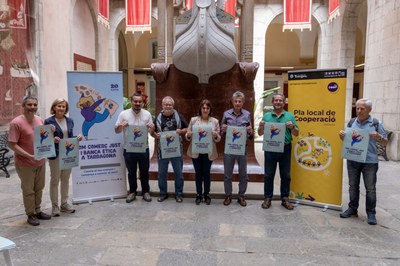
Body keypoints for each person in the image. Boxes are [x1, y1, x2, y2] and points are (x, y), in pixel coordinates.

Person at [338, 98, 388, 225]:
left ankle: (371, 214)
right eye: (357, 108)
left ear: (369, 110)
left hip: (370, 161)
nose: (359, 111)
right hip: (353, 159)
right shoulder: (351, 122)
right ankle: (352, 209)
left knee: (370, 189)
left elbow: (385, 141)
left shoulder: (376, 123)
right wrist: (342, 137)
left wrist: (378, 136)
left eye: (362, 109)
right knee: (353, 186)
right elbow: (347, 141)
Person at [8, 95, 52, 226]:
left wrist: (51, 136)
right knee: (28, 190)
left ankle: (38, 210)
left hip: (40, 161)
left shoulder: (39, 120)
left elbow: (43, 137)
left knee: (39, 187)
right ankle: (30, 214)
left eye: (34, 105)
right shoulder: (16, 123)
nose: (32, 107)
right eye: (29, 105)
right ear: (23, 106)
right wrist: (28, 155)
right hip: (25, 163)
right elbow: (11, 144)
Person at [258, 93, 299, 210]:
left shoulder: (289, 116)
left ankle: (285, 199)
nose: (278, 102)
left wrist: (292, 127)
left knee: (285, 175)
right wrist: (261, 126)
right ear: (272, 102)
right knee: (268, 175)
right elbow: (260, 133)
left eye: (280, 100)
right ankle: (267, 198)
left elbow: (296, 133)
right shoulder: (266, 116)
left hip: (285, 148)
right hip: (270, 149)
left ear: (284, 103)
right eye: (276, 100)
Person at [44, 98, 83, 217]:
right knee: (55, 180)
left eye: (63, 106)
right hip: (55, 154)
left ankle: (64, 204)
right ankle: (55, 206)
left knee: (65, 179)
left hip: (68, 154)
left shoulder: (70, 121)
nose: (61, 108)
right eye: (59, 106)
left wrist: (78, 137)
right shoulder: (48, 121)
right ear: (54, 107)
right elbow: (45, 138)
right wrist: (52, 138)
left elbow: (68, 136)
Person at [115, 92, 155, 203]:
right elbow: (116, 130)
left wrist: (152, 128)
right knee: (131, 172)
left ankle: (146, 192)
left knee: (144, 172)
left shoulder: (147, 114)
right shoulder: (123, 114)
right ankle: (132, 192)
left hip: (143, 149)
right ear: (131, 102)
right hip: (129, 149)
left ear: (142, 102)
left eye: (139, 101)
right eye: (135, 101)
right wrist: (120, 126)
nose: (137, 103)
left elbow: (151, 133)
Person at [152, 96, 188, 203]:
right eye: (166, 104)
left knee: (179, 173)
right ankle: (163, 193)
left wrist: (180, 132)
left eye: (170, 104)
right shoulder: (158, 118)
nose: (168, 106)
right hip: (162, 151)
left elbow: (186, 128)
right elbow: (152, 132)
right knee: (162, 173)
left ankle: (179, 194)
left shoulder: (178, 116)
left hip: (176, 151)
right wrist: (155, 135)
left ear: (173, 105)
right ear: (162, 105)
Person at [221, 91, 253, 207]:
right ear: (232, 102)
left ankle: (241, 196)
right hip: (229, 149)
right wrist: (223, 130)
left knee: (243, 174)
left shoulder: (247, 114)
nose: (238, 103)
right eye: (236, 101)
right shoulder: (226, 114)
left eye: (240, 101)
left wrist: (249, 131)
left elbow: (251, 135)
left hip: (242, 149)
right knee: (227, 175)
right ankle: (228, 195)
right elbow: (221, 133)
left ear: (243, 102)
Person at [185, 99, 221, 205]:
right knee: (198, 174)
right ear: (200, 109)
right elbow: (187, 135)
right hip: (196, 151)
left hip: (208, 152)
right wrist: (189, 135)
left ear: (210, 109)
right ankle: (198, 195)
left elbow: (218, 139)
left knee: (207, 174)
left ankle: (207, 194)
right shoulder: (194, 120)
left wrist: (215, 135)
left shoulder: (215, 121)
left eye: (207, 108)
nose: (205, 110)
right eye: (203, 108)